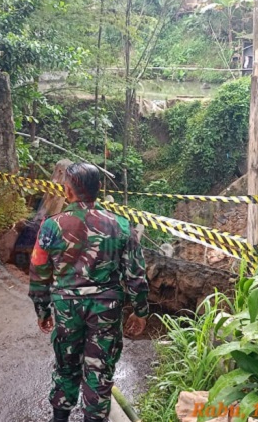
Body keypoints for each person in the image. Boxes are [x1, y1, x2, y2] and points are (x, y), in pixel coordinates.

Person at [29, 163, 149, 422]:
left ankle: (59, 417)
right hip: (106, 309)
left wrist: (42, 310)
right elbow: (136, 274)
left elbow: (38, 272)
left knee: (66, 366)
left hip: (67, 308)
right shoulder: (121, 226)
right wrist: (141, 311)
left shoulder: (51, 227)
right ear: (98, 190)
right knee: (99, 370)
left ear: (67, 192)